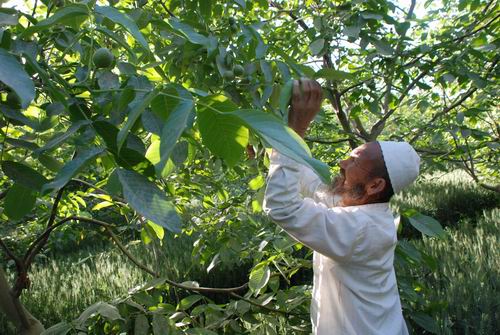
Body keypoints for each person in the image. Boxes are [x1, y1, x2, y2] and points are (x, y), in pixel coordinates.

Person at [263, 79, 420, 334]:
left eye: (354, 161)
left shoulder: (362, 229)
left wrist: (297, 127)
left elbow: (283, 207)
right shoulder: (355, 203)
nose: (342, 163)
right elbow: (307, 179)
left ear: (374, 185)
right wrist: (267, 143)